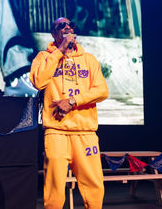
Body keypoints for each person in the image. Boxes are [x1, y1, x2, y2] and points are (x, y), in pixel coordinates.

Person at [30, 17, 109, 209]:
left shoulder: (89, 59)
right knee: (54, 190)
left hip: (85, 133)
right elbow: (38, 81)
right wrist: (59, 51)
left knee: (94, 188)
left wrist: (72, 102)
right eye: (61, 26)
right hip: (56, 132)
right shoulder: (43, 57)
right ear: (53, 33)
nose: (67, 27)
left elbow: (102, 91)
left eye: (70, 25)